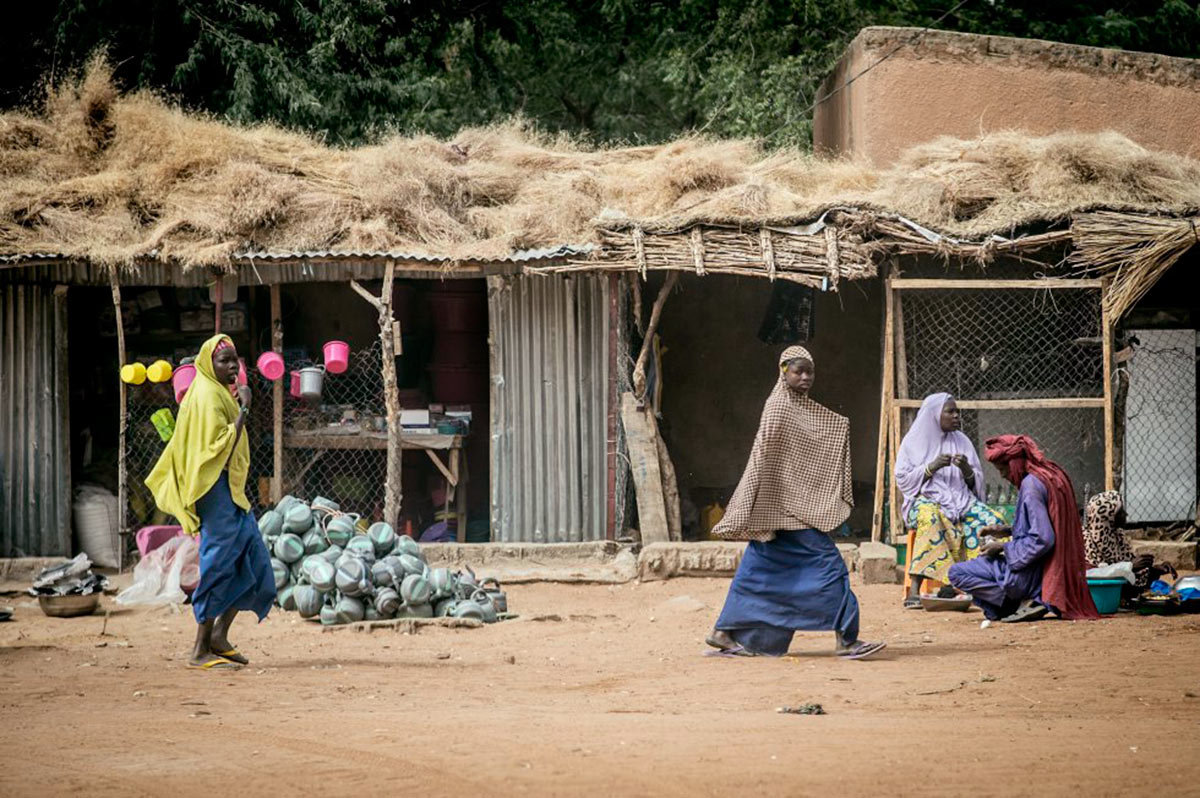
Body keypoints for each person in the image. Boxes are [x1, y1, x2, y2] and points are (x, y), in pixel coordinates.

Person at [706, 346, 886, 660]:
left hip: (787, 511)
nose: (804, 377)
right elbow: (763, 455)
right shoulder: (777, 406)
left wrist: (840, 430)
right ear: (783, 371)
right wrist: (749, 501)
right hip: (782, 509)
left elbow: (814, 441)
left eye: (809, 371)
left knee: (757, 573)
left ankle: (724, 632)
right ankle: (846, 638)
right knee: (830, 567)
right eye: (797, 371)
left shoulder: (801, 407)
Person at [146, 334, 275, 670]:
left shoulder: (220, 392)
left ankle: (219, 636)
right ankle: (199, 649)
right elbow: (220, 448)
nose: (232, 366)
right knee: (218, 564)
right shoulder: (205, 396)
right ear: (208, 364)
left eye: (236, 359)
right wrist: (244, 407)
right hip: (212, 490)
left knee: (254, 560)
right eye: (225, 360)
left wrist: (240, 403)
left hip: (231, 491)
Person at [948, 434, 1099, 622]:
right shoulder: (1049, 475)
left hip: (1029, 576)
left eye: (1002, 469)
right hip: (1049, 571)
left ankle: (1014, 602)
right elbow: (1046, 525)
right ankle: (1021, 600)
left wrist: (1002, 547)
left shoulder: (1030, 487)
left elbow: (1043, 539)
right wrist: (1007, 531)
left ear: (1014, 463)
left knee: (956, 573)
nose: (1002, 475)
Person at [894, 393, 1004, 608]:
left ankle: (988, 583)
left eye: (957, 411)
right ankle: (915, 590)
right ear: (934, 415)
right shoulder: (912, 442)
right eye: (950, 411)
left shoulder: (961, 440)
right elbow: (904, 481)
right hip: (924, 500)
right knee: (931, 517)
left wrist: (966, 469)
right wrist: (931, 467)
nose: (956, 416)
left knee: (991, 519)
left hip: (961, 501)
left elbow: (975, 484)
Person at [1084, 491, 1177, 600]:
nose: (1126, 514)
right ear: (1108, 516)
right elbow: (1096, 576)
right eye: (1120, 512)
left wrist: (1154, 570)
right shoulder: (1087, 540)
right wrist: (1130, 566)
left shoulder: (1118, 535)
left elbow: (1130, 573)